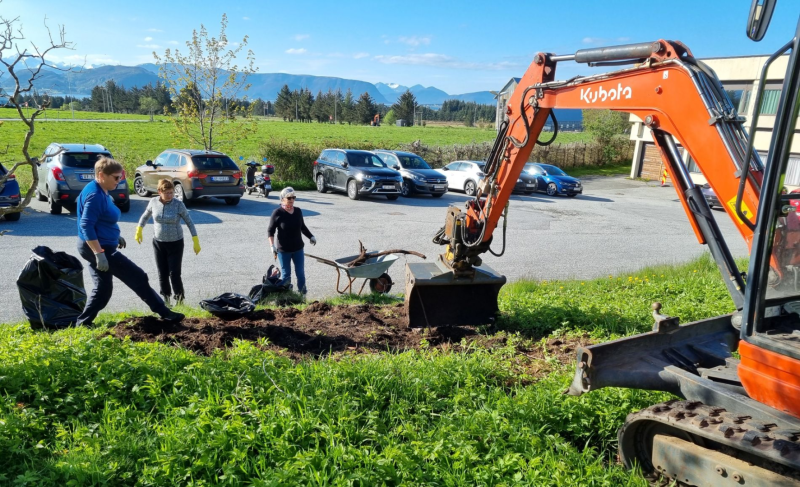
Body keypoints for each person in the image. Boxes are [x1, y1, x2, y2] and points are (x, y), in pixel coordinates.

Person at [75, 156, 183, 326]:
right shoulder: (95, 194)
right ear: (102, 175)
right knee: (138, 276)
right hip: (98, 247)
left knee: (103, 289)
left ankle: (82, 323)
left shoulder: (99, 190)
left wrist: (114, 236)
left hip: (99, 244)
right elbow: (86, 225)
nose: (120, 180)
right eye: (116, 177)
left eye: (121, 176)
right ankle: (164, 312)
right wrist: (99, 253)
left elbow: (99, 219)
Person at [134, 179, 201, 305]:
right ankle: (166, 299)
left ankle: (180, 299)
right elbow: (145, 216)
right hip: (158, 243)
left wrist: (195, 239)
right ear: (159, 191)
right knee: (162, 273)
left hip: (175, 243)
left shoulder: (178, 204)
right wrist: (139, 229)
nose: (170, 195)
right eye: (167, 193)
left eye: (172, 192)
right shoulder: (153, 202)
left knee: (174, 273)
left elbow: (189, 222)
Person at [267, 187, 316, 294]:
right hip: (284, 251)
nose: (292, 199)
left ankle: (302, 295)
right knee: (286, 276)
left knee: (300, 274)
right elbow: (270, 231)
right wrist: (272, 246)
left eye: (293, 197)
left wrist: (311, 236)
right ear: (282, 199)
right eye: (289, 198)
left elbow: (302, 227)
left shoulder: (298, 211)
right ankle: (286, 297)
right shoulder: (277, 213)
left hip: (298, 248)